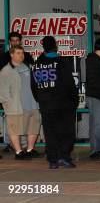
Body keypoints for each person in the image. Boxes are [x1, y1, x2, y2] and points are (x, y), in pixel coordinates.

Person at [31, 36, 78, 169]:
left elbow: (33, 86)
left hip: (46, 104)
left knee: (50, 132)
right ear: (55, 46)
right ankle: (64, 157)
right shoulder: (62, 61)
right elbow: (70, 83)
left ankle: (53, 160)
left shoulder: (37, 64)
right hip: (63, 104)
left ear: (43, 47)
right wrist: (74, 101)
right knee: (66, 131)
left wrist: (40, 99)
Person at [0, 45, 42, 160]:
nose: (21, 55)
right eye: (18, 53)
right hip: (16, 107)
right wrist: (8, 104)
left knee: (33, 128)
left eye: (22, 53)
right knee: (15, 129)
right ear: (11, 54)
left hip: (33, 104)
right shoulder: (6, 71)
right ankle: (18, 152)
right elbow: (2, 92)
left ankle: (29, 149)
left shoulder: (28, 67)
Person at [2, 32, 35, 153]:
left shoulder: (27, 56)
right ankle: (14, 146)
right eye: (13, 40)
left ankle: (26, 148)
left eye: (17, 40)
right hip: (12, 95)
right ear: (10, 42)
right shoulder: (4, 57)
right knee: (13, 121)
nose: (15, 42)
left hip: (26, 95)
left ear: (20, 41)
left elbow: (32, 72)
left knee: (28, 121)